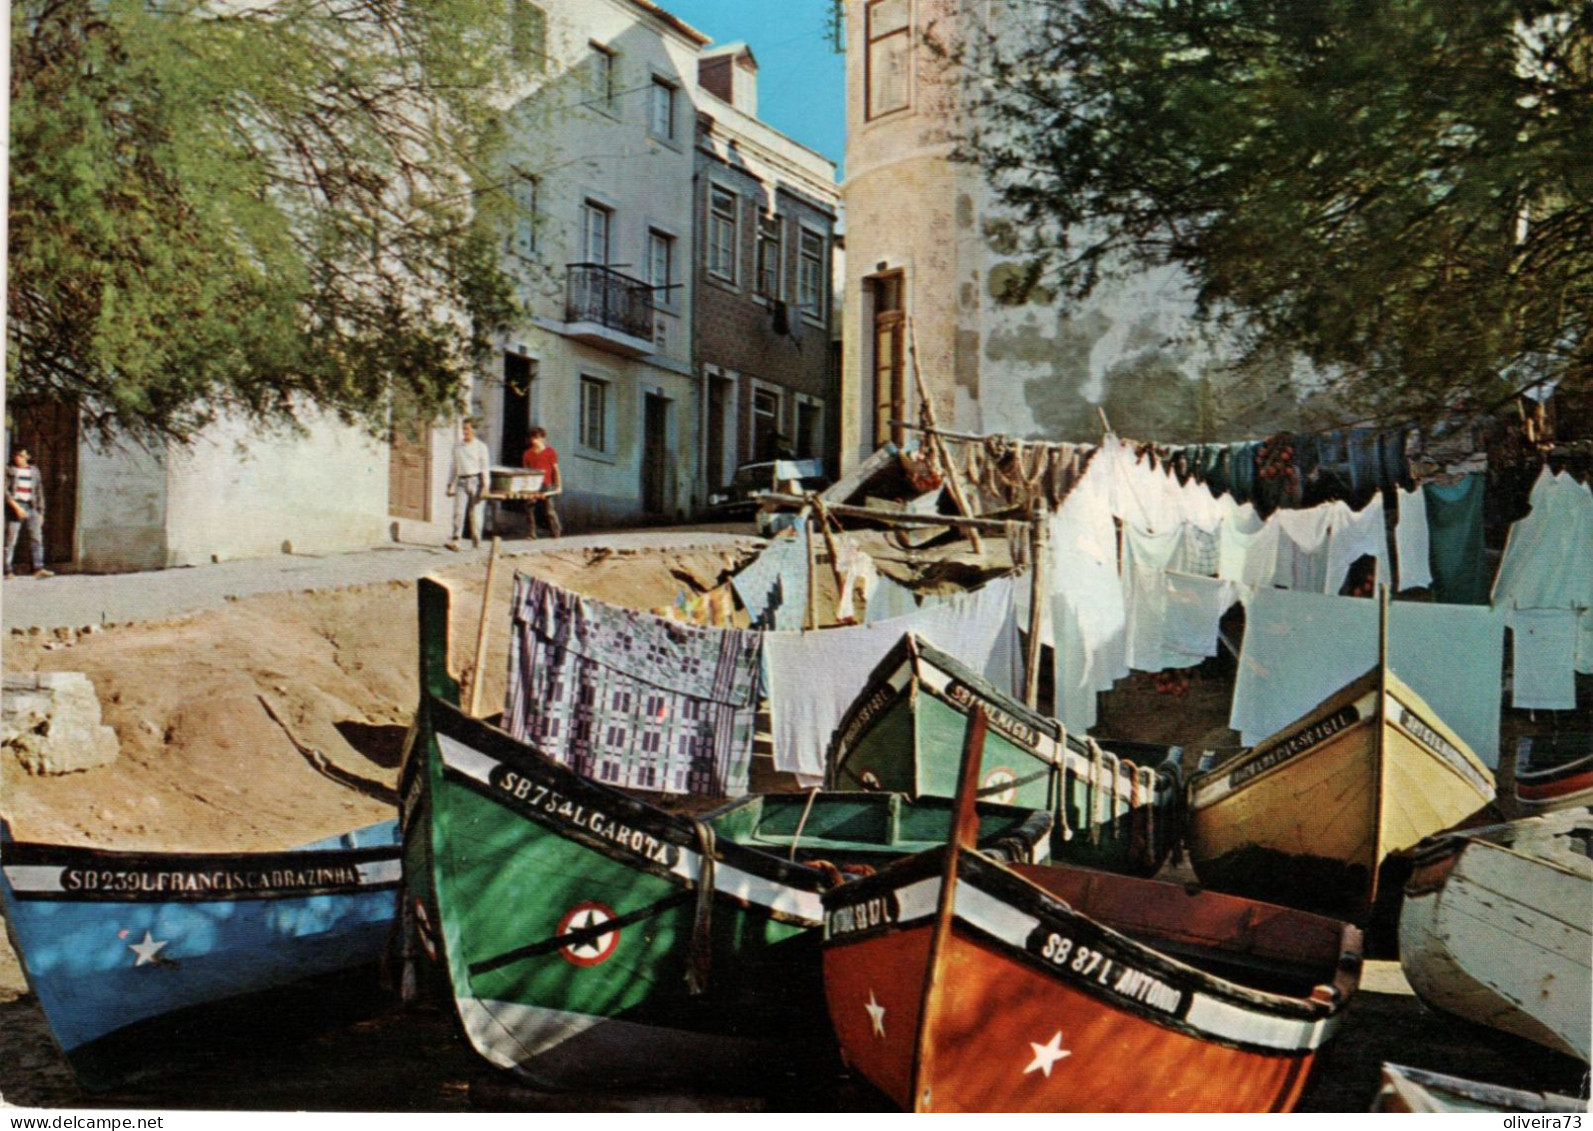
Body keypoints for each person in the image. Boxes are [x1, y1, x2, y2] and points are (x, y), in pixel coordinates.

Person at [5, 448, 51, 579]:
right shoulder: (9, 470)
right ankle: (7, 570)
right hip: (16, 505)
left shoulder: (34, 471)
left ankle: (38, 568)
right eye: (16, 455)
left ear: (28, 456)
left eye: (21, 455)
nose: (18, 458)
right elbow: (4, 491)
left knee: (37, 538)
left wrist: (41, 512)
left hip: (32, 506)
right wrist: (16, 507)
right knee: (11, 539)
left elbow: (39, 492)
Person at [446, 419, 491, 551]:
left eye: (468, 429)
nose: (465, 432)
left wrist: (485, 486)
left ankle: (477, 540)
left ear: (474, 430)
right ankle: (456, 539)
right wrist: (450, 484)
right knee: (459, 512)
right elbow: (453, 466)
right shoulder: (457, 446)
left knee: (476, 513)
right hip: (461, 481)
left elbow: (485, 467)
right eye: (463, 428)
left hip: (476, 480)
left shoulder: (480, 447)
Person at [521, 426, 562, 539]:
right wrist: (525, 486)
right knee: (529, 509)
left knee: (548, 510)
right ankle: (532, 533)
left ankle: (555, 531)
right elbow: (525, 471)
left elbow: (555, 470)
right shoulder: (527, 454)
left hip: (546, 484)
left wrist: (558, 486)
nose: (535, 441)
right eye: (533, 438)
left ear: (543, 438)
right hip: (532, 485)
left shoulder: (550, 452)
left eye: (537, 438)